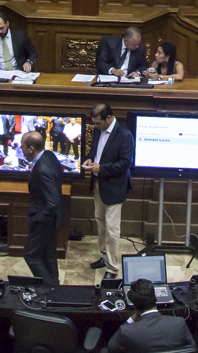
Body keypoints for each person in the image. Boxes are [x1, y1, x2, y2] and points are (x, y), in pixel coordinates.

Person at [83, 102, 134, 278]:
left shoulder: (124, 135)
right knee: (101, 222)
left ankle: (112, 268)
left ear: (109, 118)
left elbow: (126, 163)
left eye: (98, 123)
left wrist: (101, 168)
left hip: (114, 187)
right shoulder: (98, 130)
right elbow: (95, 151)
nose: (95, 126)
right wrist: (90, 159)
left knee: (112, 229)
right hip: (98, 184)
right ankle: (105, 257)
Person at [106, 277, 196, 352]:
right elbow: (192, 349)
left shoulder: (127, 331)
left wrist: (131, 319)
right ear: (156, 298)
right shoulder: (179, 323)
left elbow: (111, 348)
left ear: (134, 305)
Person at [23, 130, 64, 285]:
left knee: (31, 255)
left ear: (31, 149)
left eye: (22, 146)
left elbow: (52, 202)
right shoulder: (49, 155)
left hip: (44, 219)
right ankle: (55, 286)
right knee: (48, 253)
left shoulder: (42, 169)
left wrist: (38, 218)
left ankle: (49, 287)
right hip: (54, 217)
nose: (21, 149)